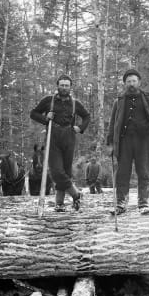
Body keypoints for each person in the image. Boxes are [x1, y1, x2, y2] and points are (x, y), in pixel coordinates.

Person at [106, 68, 149, 215]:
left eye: (134, 81)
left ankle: (143, 203)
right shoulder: (119, 101)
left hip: (143, 141)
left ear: (139, 82)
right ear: (125, 83)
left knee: (143, 172)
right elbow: (113, 123)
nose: (131, 83)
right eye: (128, 81)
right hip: (124, 141)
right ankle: (121, 203)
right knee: (122, 173)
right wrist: (110, 144)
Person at [30, 75, 90, 212]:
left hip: (69, 136)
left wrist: (80, 128)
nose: (64, 88)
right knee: (56, 170)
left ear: (70, 87)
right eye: (62, 85)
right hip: (53, 136)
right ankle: (76, 194)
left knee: (66, 171)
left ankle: (59, 203)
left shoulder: (75, 103)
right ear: (57, 86)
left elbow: (87, 116)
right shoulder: (48, 101)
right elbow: (33, 113)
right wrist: (46, 118)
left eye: (66, 85)